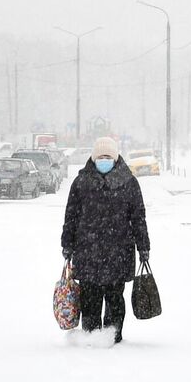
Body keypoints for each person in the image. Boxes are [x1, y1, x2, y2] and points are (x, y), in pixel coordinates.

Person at [61, 136, 149, 345]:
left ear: (116, 157)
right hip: (87, 251)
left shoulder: (129, 182)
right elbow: (70, 215)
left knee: (114, 297)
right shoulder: (81, 182)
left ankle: (113, 336)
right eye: (100, 156)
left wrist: (143, 246)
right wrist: (67, 243)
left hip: (118, 252)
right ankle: (91, 336)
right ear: (93, 158)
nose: (104, 160)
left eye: (108, 156)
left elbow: (138, 217)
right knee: (89, 296)